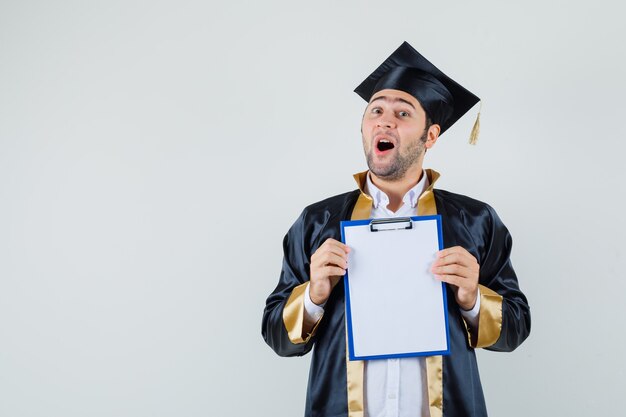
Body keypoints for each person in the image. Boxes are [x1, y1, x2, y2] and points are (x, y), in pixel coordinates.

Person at [262, 41, 531, 417]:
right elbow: (277, 336)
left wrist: (472, 298)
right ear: (364, 126)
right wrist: (313, 296)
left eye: (403, 113)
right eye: (376, 110)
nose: (385, 121)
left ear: (431, 136)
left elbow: (516, 329)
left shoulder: (475, 221)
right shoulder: (318, 222)